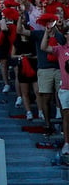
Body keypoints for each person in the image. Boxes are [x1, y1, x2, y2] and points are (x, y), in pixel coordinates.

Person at [39, 18, 69, 154]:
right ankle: (67, 144)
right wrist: (47, 32)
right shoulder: (61, 49)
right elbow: (44, 48)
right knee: (66, 116)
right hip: (65, 89)